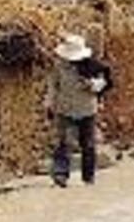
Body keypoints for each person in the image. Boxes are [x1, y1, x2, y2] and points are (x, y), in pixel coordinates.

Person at [44, 33, 110, 187]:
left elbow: (103, 83)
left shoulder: (92, 66)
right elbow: (53, 85)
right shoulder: (59, 67)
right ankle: (61, 174)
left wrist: (91, 85)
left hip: (87, 109)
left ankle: (88, 176)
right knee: (63, 142)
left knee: (87, 144)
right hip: (65, 109)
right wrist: (49, 102)